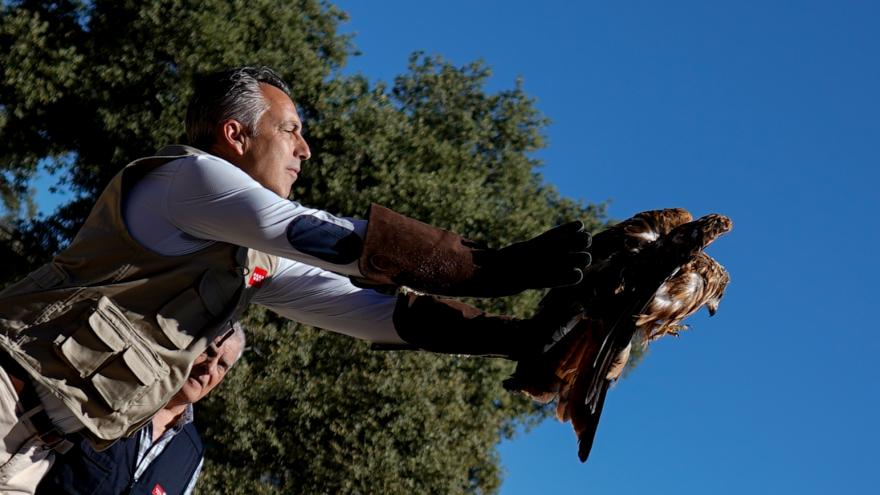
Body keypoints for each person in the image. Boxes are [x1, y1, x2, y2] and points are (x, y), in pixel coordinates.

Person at [0, 66, 592, 493]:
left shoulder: (248, 255)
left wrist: (517, 337)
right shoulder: (188, 179)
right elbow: (330, 238)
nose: (305, 150)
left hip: (37, 451)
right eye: (290, 130)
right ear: (236, 135)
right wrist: (498, 268)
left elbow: (363, 308)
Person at [35, 324, 245, 495]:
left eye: (221, 365)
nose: (209, 368)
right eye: (208, 351)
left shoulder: (192, 454)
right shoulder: (118, 389)